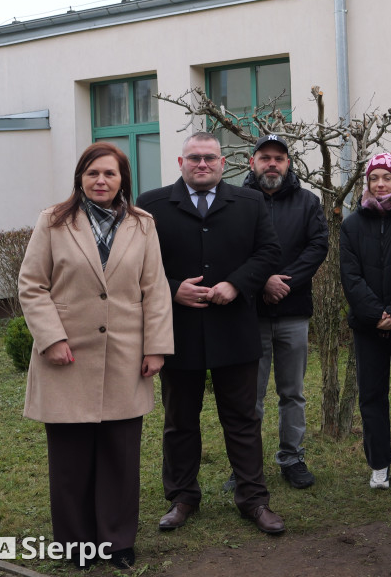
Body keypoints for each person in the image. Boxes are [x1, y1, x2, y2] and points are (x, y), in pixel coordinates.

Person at [19, 142, 173, 569]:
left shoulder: (143, 224)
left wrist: (156, 347)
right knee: (70, 461)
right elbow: (32, 285)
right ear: (80, 178)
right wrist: (51, 338)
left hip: (126, 354)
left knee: (120, 458)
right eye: (92, 174)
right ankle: (76, 545)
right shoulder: (53, 221)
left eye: (110, 173)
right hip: (65, 355)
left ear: (123, 178)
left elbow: (156, 289)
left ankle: (117, 542)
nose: (101, 181)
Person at [137, 131, 286, 535]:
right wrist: (172, 289)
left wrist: (236, 284)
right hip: (178, 332)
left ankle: (253, 499)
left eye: (209, 158)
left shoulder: (250, 202)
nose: (202, 164)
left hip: (233, 328)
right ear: (180, 163)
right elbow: (134, 265)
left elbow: (269, 253)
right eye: (194, 158)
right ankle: (182, 497)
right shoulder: (150, 206)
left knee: (242, 419)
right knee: (180, 420)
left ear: (223, 164)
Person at [223, 134, 328, 491]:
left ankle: (292, 458)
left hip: (293, 311)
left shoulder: (307, 201)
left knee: (292, 392)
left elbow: (318, 247)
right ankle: (244, 466)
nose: (272, 163)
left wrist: (285, 282)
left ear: (288, 163)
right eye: (265, 157)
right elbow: (230, 251)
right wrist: (261, 281)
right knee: (248, 394)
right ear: (252, 162)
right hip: (247, 313)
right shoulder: (235, 202)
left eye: (278, 158)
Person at [340, 152, 391, 489]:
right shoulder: (351, 224)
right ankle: (378, 465)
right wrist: (376, 314)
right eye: (374, 178)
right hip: (367, 327)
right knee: (371, 396)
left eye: (385, 177)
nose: (379, 184)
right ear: (367, 183)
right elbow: (350, 275)